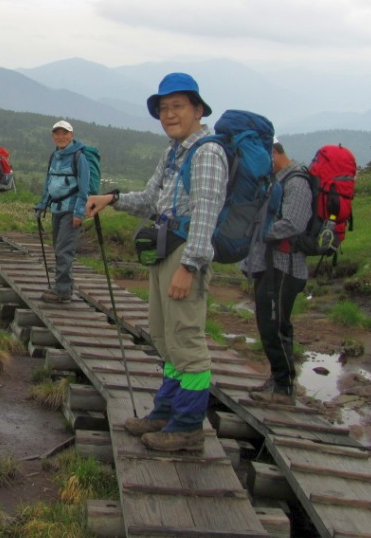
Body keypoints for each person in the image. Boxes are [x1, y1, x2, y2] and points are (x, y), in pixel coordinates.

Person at [86, 72, 227, 454]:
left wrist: (191, 265)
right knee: (165, 338)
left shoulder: (208, 152)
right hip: (165, 251)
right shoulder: (173, 153)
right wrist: (112, 199)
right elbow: (151, 200)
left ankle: (187, 426)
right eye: (163, 108)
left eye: (177, 106)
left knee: (187, 342)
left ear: (198, 109)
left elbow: (207, 213)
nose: (169, 114)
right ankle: (165, 412)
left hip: (184, 254)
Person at [241, 137, 312, 405]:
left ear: (273, 152)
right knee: (269, 325)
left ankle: (284, 387)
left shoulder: (296, 182)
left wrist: (257, 231)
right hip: (271, 266)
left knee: (276, 327)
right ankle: (278, 380)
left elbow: (294, 223)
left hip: (284, 267)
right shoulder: (278, 181)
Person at [34, 120, 90, 303]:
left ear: (71, 135)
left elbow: (84, 188)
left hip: (71, 210)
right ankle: (63, 286)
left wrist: (79, 213)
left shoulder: (79, 157)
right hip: (56, 209)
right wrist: (42, 205)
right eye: (57, 134)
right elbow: (48, 183)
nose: (61, 137)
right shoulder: (54, 156)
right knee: (59, 248)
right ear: (52, 137)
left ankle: (63, 291)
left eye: (64, 133)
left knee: (63, 250)